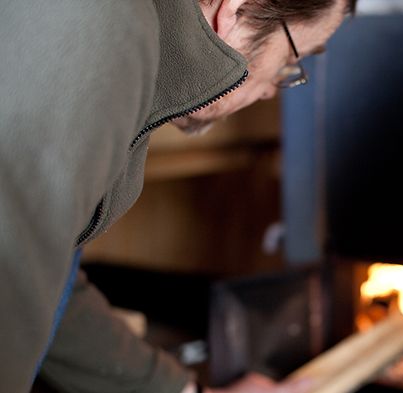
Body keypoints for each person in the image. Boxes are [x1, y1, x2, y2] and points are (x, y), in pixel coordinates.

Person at [0, 0, 354, 392]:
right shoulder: (102, 26)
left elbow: (44, 284)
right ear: (237, 10)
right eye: (290, 58)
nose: (273, 89)